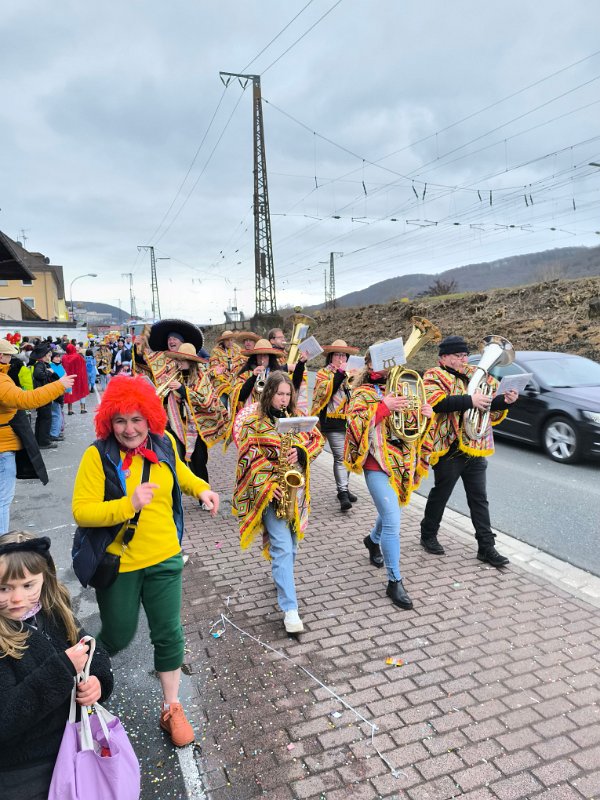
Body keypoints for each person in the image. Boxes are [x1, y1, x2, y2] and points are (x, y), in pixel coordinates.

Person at [71, 375, 220, 746]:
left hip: (165, 557)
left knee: (168, 633)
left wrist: (202, 489)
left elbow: (180, 472)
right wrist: (129, 504)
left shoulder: (163, 441)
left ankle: (171, 707)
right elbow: (82, 511)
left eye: (137, 419)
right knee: (117, 635)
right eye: (120, 420)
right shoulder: (97, 455)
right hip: (119, 564)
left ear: (149, 418)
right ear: (108, 421)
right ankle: (80, 676)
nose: (129, 429)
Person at [0, 532, 113, 800]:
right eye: (4, 588)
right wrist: (61, 669)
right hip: (26, 770)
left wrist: (98, 681)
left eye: (28, 585)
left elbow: (91, 649)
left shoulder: (52, 610)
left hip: (75, 744)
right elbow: (6, 718)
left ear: (45, 578)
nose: (17, 598)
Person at [233, 372, 323, 634]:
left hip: (295, 492)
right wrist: (267, 484)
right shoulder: (253, 422)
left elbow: (317, 440)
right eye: (278, 394)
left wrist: (302, 453)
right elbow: (248, 457)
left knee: (292, 546)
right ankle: (290, 609)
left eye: (287, 394)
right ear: (268, 393)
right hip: (270, 493)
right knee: (282, 547)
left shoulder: (297, 418)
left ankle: (282, 578)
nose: (283, 399)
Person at [344, 347, 433, 610]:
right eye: (381, 361)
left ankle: (372, 541)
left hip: (403, 464)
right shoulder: (362, 393)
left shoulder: (406, 388)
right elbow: (355, 426)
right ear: (370, 365)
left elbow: (413, 428)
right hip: (377, 464)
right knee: (393, 520)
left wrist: (425, 416)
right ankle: (394, 581)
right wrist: (383, 408)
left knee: (390, 511)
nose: (388, 366)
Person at [419, 335, 518, 567]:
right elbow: (436, 403)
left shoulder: (477, 374)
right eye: (458, 356)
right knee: (441, 494)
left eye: (465, 355)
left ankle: (486, 547)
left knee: (479, 499)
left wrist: (505, 401)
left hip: (475, 445)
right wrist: (470, 400)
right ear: (444, 357)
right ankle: (428, 534)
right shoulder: (433, 375)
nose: (464, 359)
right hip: (448, 448)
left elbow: (488, 403)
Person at [0, 339, 75, 534]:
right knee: (2, 501)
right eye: (8, 355)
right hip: (3, 447)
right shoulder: (1, 380)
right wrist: (59, 385)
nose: (10, 360)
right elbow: (25, 399)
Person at [311, 339, 360, 512]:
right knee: (339, 457)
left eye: (344, 355)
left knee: (348, 457)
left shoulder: (352, 372)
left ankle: (344, 486)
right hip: (331, 421)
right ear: (330, 357)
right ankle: (342, 492)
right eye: (337, 355)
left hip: (349, 420)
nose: (341, 358)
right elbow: (325, 393)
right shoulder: (323, 373)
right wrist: (340, 372)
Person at [31, 343, 60, 450]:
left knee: (42, 418)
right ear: (43, 356)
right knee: (46, 418)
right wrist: (49, 372)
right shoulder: (40, 364)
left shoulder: (41, 364)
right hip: (43, 394)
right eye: (48, 355)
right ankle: (44, 441)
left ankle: (39, 440)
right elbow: (38, 375)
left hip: (41, 394)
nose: (49, 357)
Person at [61, 343, 89, 415]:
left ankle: (70, 410)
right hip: (78, 377)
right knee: (81, 391)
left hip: (69, 377)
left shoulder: (64, 357)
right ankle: (82, 408)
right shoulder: (77, 356)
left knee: (69, 392)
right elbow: (83, 364)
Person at [48, 350, 66, 441]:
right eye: (56, 357)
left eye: (59, 357)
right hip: (54, 392)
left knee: (58, 413)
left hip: (61, 391)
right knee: (56, 414)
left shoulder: (60, 366)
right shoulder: (50, 367)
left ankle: (57, 431)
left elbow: (65, 377)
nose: (58, 358)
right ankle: (54, 433)